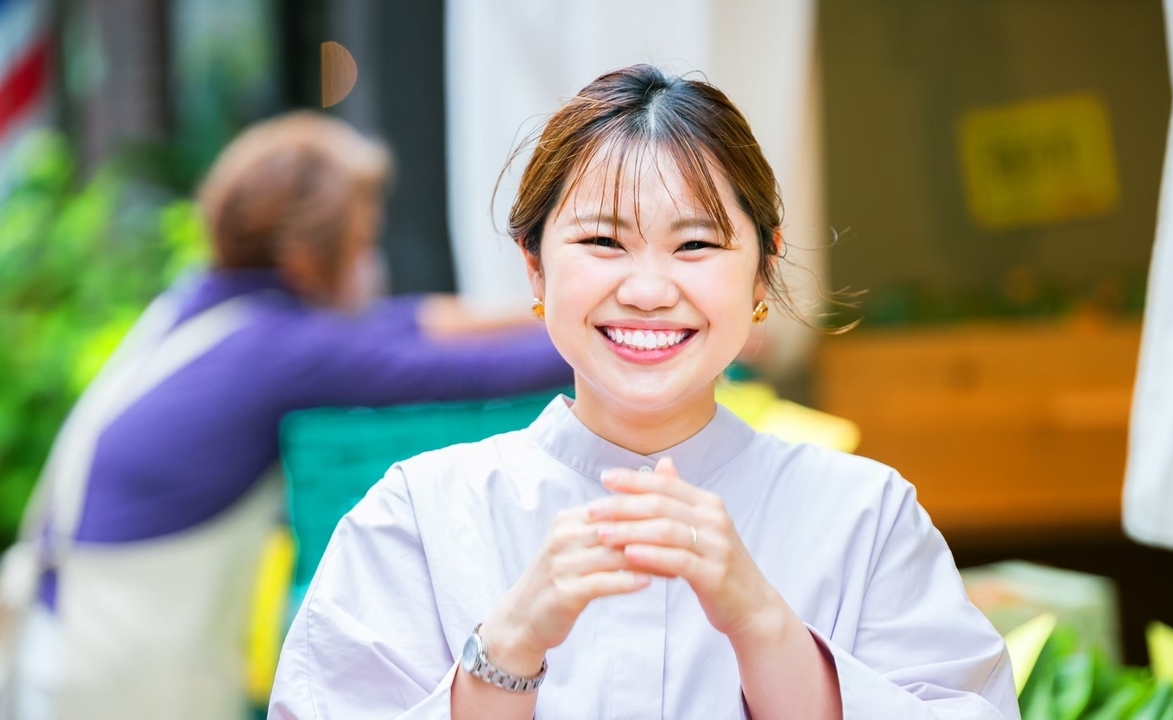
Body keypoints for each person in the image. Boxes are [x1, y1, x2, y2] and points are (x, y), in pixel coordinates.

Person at [268, 66, 1019, 719]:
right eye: (603, 242)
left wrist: (761, 621)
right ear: (534, 267)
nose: (651, 290)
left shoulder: (866, 516)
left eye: (696, 244)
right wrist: (506, 649)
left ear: (763, 269)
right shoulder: (419, 518)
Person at [3, 112, 572, 720]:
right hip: (122, 661)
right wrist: (624, 331)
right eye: (359, 244)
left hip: (65, 628)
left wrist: (555, 297)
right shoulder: (275, 352)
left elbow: (408, 324)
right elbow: (463, 372)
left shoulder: (211, 306)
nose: (369, 262)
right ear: (306, 258)